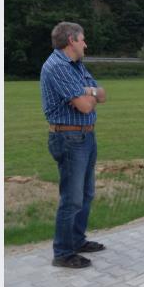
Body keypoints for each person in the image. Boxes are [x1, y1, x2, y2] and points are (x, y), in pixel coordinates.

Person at [41, 22, 107, 269]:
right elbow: (86, 105)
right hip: (69, 138)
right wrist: (88, 95)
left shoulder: (77, 66)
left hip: (86, 136)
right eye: (83, 40)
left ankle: (77, 240)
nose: (85, 44)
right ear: (71, 40)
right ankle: (63, 252)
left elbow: (102, 94)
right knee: (72, 197)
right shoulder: (57, 66)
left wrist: (86, 91)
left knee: (86, 193)